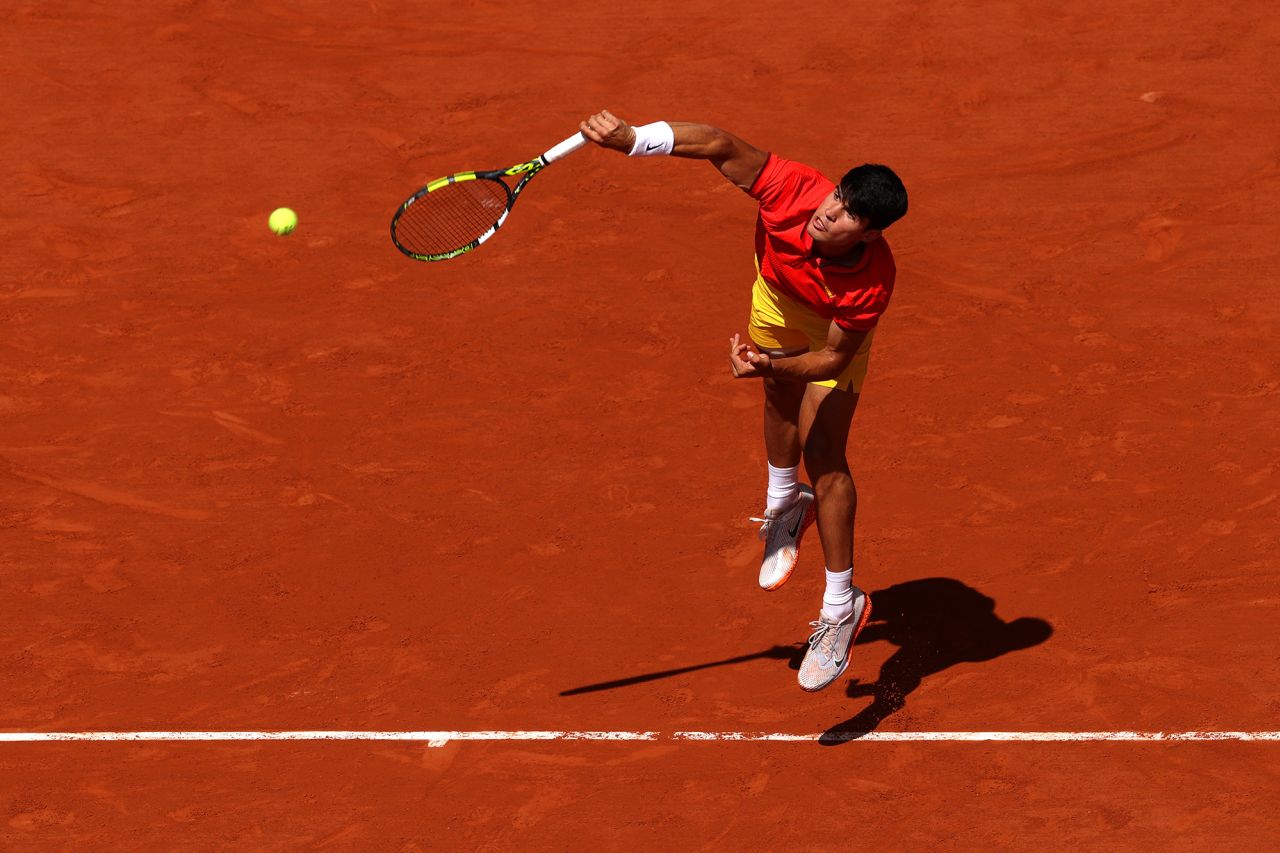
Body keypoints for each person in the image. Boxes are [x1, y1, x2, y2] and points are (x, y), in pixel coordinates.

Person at [579, 110, 908, 692]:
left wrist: (766, 363)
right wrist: (634, 140)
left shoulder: (870, 284)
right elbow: (717, 143)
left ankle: (841, 607)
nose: (828, 213)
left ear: (871, 233)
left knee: (827, 458)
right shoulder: (793, 191)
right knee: (777, 400)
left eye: (849, 214)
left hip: (833, 336)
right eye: (837, 196)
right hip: (777, 301)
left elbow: (831, 360)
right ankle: (785, 504)